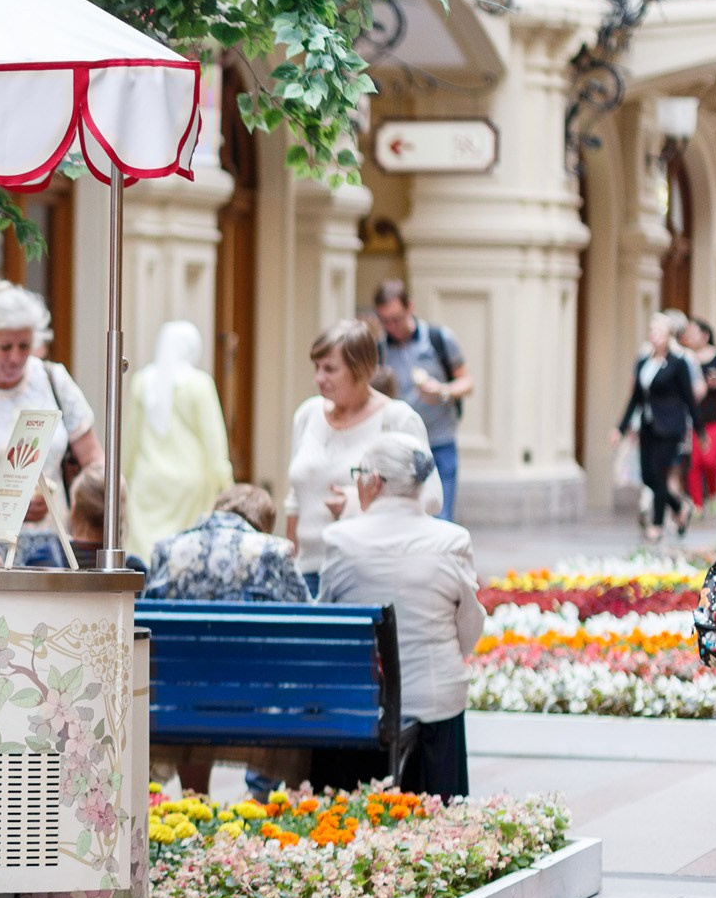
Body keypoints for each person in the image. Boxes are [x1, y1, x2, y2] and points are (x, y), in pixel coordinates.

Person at [318, 434, 484, 800]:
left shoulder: (340, 541)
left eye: (358, 473)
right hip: (434, 706)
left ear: (374, 482)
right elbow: (470, 627)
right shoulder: (451, 540)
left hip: (360, 712)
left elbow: (326, 622)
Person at [284, 317, 440, 595]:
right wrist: (290, 562)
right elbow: (295, 497)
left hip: (367, 572)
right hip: (306, 573)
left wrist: (358, 501)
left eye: (330, 369)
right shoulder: (308, 414)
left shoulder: (396, 418)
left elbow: (431, 497)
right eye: (317, 367)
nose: (319, 378)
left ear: (361, 369)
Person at [0, 280, 105, 567]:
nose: (16, 357)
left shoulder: (54, 380)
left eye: (25, 346)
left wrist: (85, 508)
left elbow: (94, 461)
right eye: (5, 347)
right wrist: (2, 502)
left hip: (54, 546)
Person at [121, 321, 233, 559]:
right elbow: (214, 442)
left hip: (147, 481)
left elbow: (130, 438)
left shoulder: (142, 381)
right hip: (188, 484)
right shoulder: (199, 385)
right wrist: (226, 485)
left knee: (144, 554)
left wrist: (124, 476)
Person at [372, 281, 473, 521]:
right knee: (402, 518)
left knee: (441, 516)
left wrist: (442, 391)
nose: (391, 326)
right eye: (385, 321)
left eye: (396, 318)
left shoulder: (439, 339)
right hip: (401, 445)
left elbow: (467, 382)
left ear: (410, 307)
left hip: (439, 442)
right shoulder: (381, 349)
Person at [142, 484, 310, 605]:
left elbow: (145, 619)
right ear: (263, 526)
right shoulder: (274, 551)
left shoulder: (166, 549)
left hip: (175, 654)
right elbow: (308, 618)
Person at [619, 310, 703, 542]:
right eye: (651, 331)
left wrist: (700, 429)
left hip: (670, 427)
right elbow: (635, 398)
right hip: (648, 426)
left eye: (658, 331)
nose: (654, 335)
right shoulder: (644, 362)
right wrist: (621, 428)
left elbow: (689, 397)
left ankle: (656, 525)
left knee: (660, 474)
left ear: (668, 335)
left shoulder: (678, 363)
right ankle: (679, 506)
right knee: (648, 477)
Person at [684, 316, 716, 512]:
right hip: (694, 417)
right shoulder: (687, 357)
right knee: (694, 462)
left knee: (709, 460)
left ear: (705, 335)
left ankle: (712, 493)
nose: (690, 336)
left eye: (693, 332)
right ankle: (697, 504)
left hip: (715, 417)